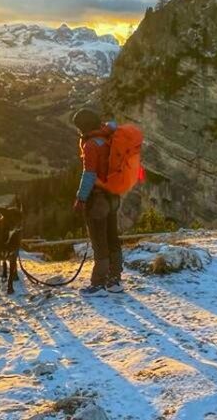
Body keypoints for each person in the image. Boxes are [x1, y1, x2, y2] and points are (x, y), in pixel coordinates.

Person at [71, 107, 123, 295]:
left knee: (99, 242)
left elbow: (89, 174)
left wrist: (80, 198)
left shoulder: (91, 145)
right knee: (112, 238)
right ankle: (115, 280)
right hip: (113, 196)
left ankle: (98, 283)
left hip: (97, 199)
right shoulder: (109, 136)